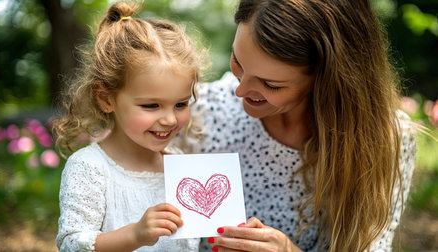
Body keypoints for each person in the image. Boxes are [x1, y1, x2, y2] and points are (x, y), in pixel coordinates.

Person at [172, 0, 417, 251]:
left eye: (271, 84)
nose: (240, 90)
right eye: (237, 61)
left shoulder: (383, 139)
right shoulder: (197, 114)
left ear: (327, 79)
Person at [53, 1, 204, 251]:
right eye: (151, 106)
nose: (169, 119)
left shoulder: (180, 165)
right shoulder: (90, 168)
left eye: (180, 104)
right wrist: (135, 234)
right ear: (106, 98)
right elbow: (70, 244)